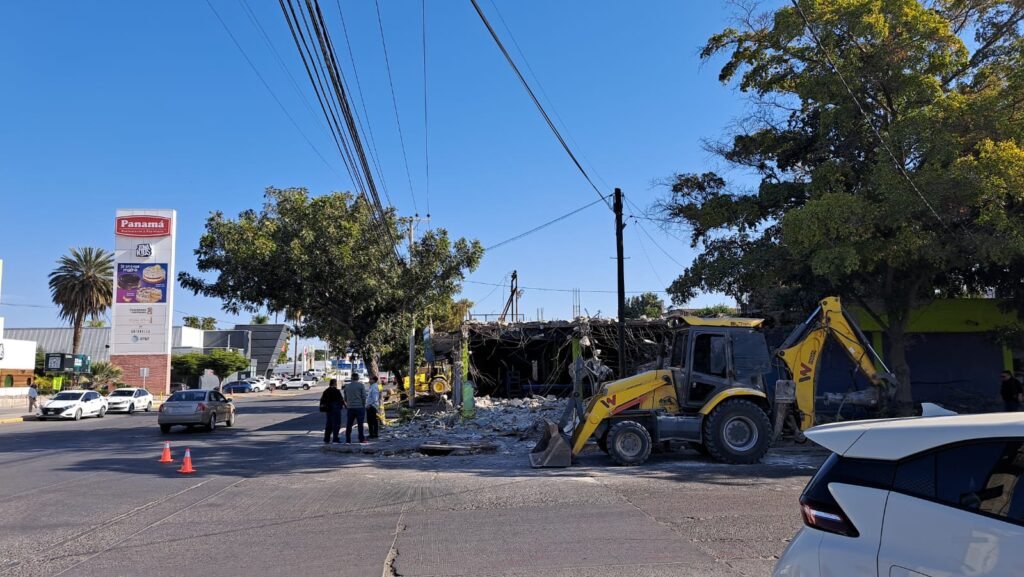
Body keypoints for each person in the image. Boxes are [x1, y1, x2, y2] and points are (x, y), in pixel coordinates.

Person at [343, 373, 367, 443]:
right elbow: (364, 397)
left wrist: (348, 404)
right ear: (358, 378)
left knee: (349, 424)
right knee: (360, 424)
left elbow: (345, 398)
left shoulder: (347, 386)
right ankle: (361, 439)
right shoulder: (361, 385)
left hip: (350, 407)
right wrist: (363, 404)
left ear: (351, 378)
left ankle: (348, 440)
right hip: (359, 407)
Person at [319, 379, 344, 444]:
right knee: (336, 424)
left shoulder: (326, 391)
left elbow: (322, 400)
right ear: (334, 383)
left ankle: (326, 439)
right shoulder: (336, 391)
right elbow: (341, 400)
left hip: (328, 410)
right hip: (336, 409)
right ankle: (335, 438)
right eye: (336, 383)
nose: (337, 384)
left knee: (329, 424)